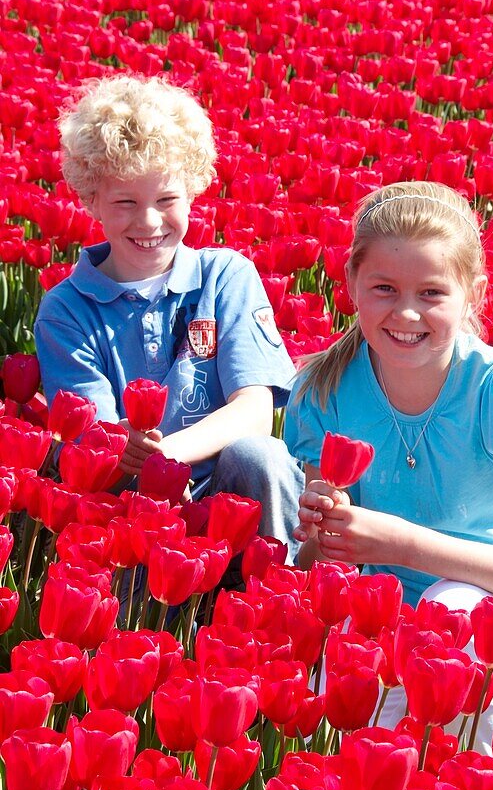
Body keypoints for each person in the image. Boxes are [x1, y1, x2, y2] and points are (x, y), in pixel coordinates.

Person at [284, 180, 493, 748]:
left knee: (449, 614)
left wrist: (401, 545)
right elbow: (317, 558)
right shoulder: (324, 392)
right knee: (346, 727)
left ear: (472, 293)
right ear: (350, 283)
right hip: (385, 616)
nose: (406, 312)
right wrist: (325, 532)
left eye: (431, 293)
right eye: (384, 288)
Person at [35, 75, 302, 550]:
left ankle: (279, 593)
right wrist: (155, 474)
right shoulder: (66, 311)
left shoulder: (224, 276)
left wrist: (168, 455)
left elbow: (255, 410)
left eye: (166, 199)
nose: (150, 221)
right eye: (126, 202)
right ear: (91, 199)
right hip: (136, 509)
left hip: (228, 490)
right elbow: (99, 444)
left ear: (194, 190)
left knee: (261, 455)